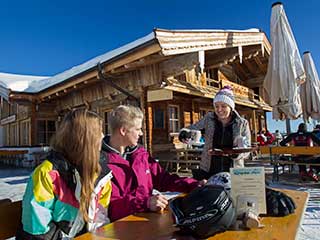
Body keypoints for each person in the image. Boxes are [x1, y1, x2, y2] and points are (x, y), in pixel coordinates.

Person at [17, 109, 112, 239]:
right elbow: (37, 228)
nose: (103, 136)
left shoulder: (99, 173)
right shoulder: (47, 174)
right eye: (98, 132)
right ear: (83, 138)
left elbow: (100, 215)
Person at [101, 105, 206, 222]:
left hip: (150, 221)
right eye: (137, 129)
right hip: (122, 228)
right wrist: (145, 203)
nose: (141, 133)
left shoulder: (140, 154)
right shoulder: (102, 163)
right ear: (123, 130)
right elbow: (110, 207)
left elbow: (163, 179)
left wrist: (194, 185)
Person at [179, 86, 251, 179]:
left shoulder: (242, 123)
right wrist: (184, 133)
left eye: (223, 106)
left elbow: (247, 147)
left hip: (233, 170)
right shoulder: (209, 119)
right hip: (209, 169)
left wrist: (236, 154)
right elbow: (192, 128)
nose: (219, 110)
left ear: (231, 107)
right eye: (216, 106)